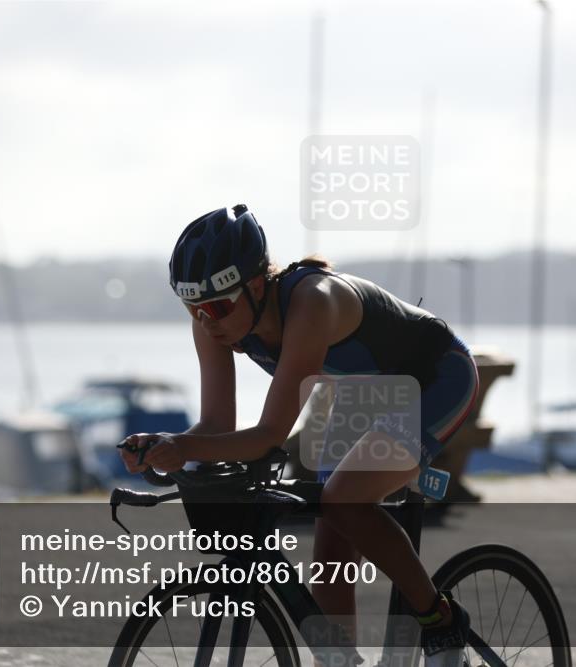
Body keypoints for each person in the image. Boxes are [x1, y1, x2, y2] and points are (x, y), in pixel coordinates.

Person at [120, 204, 479, 664]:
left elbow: (271, 433)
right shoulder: (216, 318)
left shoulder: (313, 301)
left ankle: (441, 623)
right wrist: (163, 446)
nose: (206, 321)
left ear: (254, 286)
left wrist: (185, 447)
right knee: (329, 558)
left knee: (344, 499)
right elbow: (216, 425)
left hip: (435, 379)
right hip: (358, 396)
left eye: (215, 307)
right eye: (192, 308)